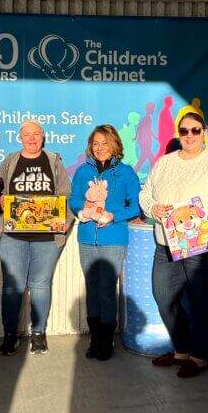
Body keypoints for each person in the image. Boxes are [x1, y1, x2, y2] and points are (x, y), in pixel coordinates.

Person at [139, 111, 208, 378]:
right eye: (184, 131)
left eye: (195, 130)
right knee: (163, 296)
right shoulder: (164, 162)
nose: (189, 135)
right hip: (165, 244)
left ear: (204, 133)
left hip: (200, 245)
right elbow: (145, 193)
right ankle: (181, 349)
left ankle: (199, 355)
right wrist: (153, 208)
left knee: (202, 300)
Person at [0, 120, 73, 355]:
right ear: (20, 138)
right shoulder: (10, 160)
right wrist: (0, 199)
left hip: (47, 237)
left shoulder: (53, 161)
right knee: (13, 286)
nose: (32, 138)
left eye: (36, 134)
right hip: (13, 235)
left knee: (40, 285)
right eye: (27, 135)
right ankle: (10, 335)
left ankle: (38, 333)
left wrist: (67, 220)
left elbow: (66, 194)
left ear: (43, 137)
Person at [68, 125, 141, 361]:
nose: (100, 148)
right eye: (96, 143)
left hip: (114, 239)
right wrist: (81, 211)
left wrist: (113, 216)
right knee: (92, 289)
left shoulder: (126, 172)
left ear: (114, 144)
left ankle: (107, 339)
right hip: (87, 238)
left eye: (105, 143)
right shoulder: (83, 171)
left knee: (107, 290)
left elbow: (136, 205)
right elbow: (74, 199)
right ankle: (95, 338)